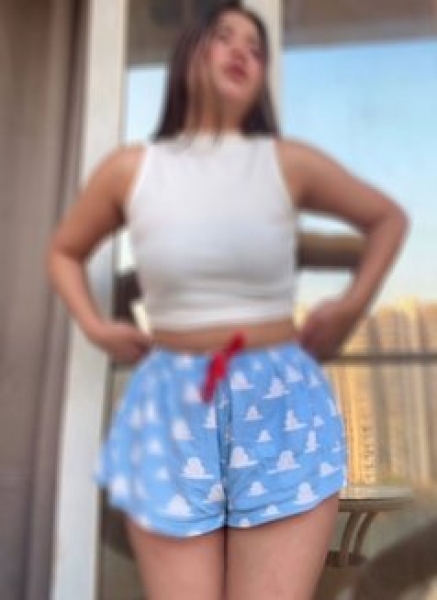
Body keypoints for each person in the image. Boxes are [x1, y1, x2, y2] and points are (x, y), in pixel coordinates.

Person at [47, 2, 408, 599]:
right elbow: (65, 250)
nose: (242, 50)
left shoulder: (287, 163)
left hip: (280, 401)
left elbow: (387, 219)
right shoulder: (131, 169)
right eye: (224, 36)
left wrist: (349, 307)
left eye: (255, 47)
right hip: (170, 402)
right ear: (189, 53)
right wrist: (95, 324)